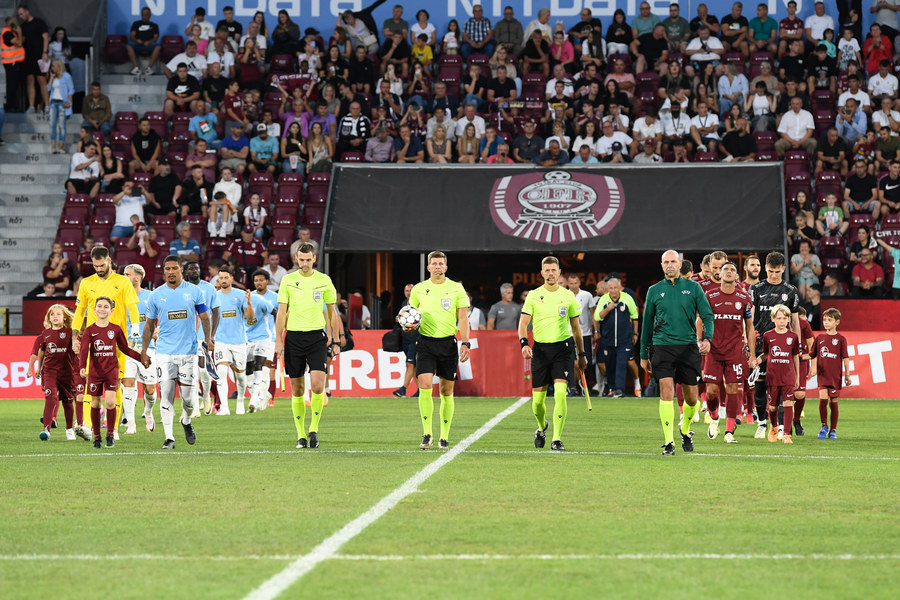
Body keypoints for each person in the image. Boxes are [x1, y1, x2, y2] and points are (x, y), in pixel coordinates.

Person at [640, 250, 714, 455]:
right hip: (662, 346)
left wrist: (708, 339)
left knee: (692, 399)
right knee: (666, 390)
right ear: (662, 265)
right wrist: (643, 354)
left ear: (680, 265)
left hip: (688, 347)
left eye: (673, 261)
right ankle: (669, 441)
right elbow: (646, 325)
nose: (670, 265)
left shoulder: (694, 288)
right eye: (666, 262)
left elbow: (708, 316)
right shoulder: (654, 290)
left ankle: (685, 430)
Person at [142, 256, 213, 450]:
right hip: (163, 352)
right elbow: (149, 326)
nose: (171, 272)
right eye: (167, 269)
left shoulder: (194, 292)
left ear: (181, 269)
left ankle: (186, 420)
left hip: (188, 352)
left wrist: (208, 339)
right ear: (163, 271)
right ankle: (169, 438)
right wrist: (144, 350)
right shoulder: (156, 295)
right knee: (166, 395)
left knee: (189, 400)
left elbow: (205, 317)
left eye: (174, 268)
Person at [275, 243, 341, 449]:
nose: (304, 263)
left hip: (317, 338)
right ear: (296, 258)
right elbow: (282, 312)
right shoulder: (288, 280)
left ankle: (313, 429)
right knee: (297, 389)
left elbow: (332, 312)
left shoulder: (324, 280)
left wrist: (336, 340)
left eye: (308, 259)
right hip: (293, 338)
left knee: (318, 385)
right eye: (301, 259)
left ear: (314, 258)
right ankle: (300, 435)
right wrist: (278, 339)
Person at [518, 256, 585, 452]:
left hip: (562, 350)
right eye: (546, 270)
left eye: (553, 270)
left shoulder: (568, 296)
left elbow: (576, 328)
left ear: (559, 272)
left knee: (561, 394)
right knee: (537, 403)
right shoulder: (533, 295)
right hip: (540, 350)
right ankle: (542, 427)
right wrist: (524, 344)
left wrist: (582, 354)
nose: (550, 273)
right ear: (541, 273)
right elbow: (522, 324)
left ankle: (557, 439)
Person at [407, 251, 470, 450]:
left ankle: (444, 436)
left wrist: (466, 343)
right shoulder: (419, 289)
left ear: (446, 267)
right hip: (425, 343)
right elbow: (411, 314)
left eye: (440, 263)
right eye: (433, 263)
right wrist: (407, 324)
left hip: (448, 344)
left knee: (446, 391)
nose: (437, 267)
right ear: (428, 268)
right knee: (425, 385)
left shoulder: (456, 288)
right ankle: (427, 434)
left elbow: (463, 318)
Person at [79, 296, 146, 448]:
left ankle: (110, 434)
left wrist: (141, 358)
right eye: (99, 306)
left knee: (110, 402)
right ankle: (97, 437)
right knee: (95, 403)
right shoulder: (90, 330)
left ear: (111, 311)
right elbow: (84, 350)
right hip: (95, 372)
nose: (102, 309)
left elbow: (124, 348)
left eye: (105, 307)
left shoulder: (115, 329)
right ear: (94, 309)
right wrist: (82, 366)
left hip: (111, 371)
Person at [749, 251, 802, 440]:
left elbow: (795, 322)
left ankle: (780, 427)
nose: (773, 275)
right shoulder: (756, 289)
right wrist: (749, 347)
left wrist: (798, 345)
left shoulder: (790, 291)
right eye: (771, 271)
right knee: (761, 386)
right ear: (765, 268)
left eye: (777, 272)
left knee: (783, 387)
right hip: (761, 344)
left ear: (783, 270)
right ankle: (762, 424)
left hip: (785, 347)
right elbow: (750, 320)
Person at [701, 262, 755, 443]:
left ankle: (729, 431)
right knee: (711, 391)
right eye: (726, 269)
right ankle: (715, 417)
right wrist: (700, 340)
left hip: (734, 350)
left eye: (732, 270)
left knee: (733, 388)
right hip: (714, 350)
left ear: (737, 275)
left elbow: (749, 327)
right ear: (720, 273)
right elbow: (701, 320)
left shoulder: (744, 297)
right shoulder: (710, 295)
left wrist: (752, 352)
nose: (729, 272)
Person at [752, 304, 801, 444]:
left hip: (788, 376)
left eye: (785, 318)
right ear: (773, 319)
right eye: (779, 318)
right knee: (773, 407)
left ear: (788, 320)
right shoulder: (768, 336)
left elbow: (795, 356)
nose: (782, 321)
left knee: (787, 404)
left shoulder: (793, 337)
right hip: (772, 376)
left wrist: (797, 376)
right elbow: (767, 354)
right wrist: (758, 360)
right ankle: (773, 427)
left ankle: (786, 434)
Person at [211, 266, 254, 415]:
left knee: (241, 376)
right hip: (221, 341)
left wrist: (248, 303)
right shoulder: (214, 296)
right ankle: (224, 407)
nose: (223, 280)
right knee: (221, 371)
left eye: (225, 278)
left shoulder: (241, 295)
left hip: (239, 341)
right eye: (220, 278)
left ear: (231, 278)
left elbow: (250, 318)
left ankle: (240, 401)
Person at [122, 264, 158, 435]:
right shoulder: (120, 297)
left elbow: (162, 317)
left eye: (127, 274)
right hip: (126, 349)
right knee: (127, 383)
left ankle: (149, 411)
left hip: (147, 348)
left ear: (137, 278)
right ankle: (131, 424)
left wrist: (159, 330)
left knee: (150, 389)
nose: (124, 277)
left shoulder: (151, 296)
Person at [182, 261, 221, 417]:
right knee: (191, 371)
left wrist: (211, 336)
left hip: (203, 336)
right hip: (187, 336)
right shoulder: (182, 288)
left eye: (196, 268)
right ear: (185, 271)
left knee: (204, 371)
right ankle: (194, 408)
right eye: (191, 268)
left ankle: (206, 396)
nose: (194, 270)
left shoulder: (209, 288)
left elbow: (216, 313)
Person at [35, 304, 79, 441]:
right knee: (50, 397)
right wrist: (38, 367)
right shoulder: (45, 334)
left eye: (58, 314)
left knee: (67, 401)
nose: (55, 316)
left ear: (65, 317)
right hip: (50, 372)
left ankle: (69, 429)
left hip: (67, 372)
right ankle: (46, 431)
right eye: (52, 314)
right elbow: (41, 351)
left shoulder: (71, 332)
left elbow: (78, 350)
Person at [594, 277, 638, 399]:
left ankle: (619, 389)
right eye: (611, 288)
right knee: (610, 364)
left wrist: (635, 333)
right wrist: (608, 309)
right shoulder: (603, 300)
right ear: (607, 289)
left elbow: (635, 316)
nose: (613, 290)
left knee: (621, 363)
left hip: (624, 339)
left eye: (615, 288)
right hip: (608, 339)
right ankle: (612, 388)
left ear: (619, 288)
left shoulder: (627, 298)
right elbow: (598, 317)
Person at [247, 269, 278, 412]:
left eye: (261, 280)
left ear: (267, 281)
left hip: (269, 338)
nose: (258, 283)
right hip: (248, 338)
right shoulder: (249, 297)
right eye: (256, 280)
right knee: (249, 372)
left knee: (265, 367)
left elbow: (280, 315)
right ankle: (263, 394)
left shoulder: (275, 297)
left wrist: (280, 334)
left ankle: (259, 400)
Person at [17, 4, 49, 114]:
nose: (21, 16)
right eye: (19, 14)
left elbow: (45, 37)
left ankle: (47, 105)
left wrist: (45, 52)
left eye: (21, 14)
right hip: (28, 57)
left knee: (42, 80)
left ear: (27, 11)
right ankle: (31, 106)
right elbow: (21, 41)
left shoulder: (39, 22)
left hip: (40, 56)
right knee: (30, 80)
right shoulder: (23, 26)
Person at [45, 59, 73, 154]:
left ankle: (60, 146)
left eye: (53, 66)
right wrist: (51, 77)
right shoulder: (53, 77)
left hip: (62, 103)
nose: (52, 68)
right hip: (53, 102)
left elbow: (71, 90)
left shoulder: (66, 76)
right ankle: (53, 146)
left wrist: (69, 101)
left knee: (62, 126)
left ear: (59, 67)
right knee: (52, 125)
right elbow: (48, 88)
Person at [126, 6, 161, 75]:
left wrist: (149, 42)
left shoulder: (154, 25)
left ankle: (149, 69)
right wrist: (137, 41)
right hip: (138, 44)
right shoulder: (136, 24)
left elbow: (155, 38)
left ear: (150, 15)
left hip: (150, 45)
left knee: (158, 47)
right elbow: (132, 37)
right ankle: (136, 68)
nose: (144, 16)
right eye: (143, 15)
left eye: (146, 15)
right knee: (128, 46)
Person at [2, 15, 25, 113]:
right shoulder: (7, 33)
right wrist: (19, 32)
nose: (17, 24)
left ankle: (12, 105)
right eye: (14, 22)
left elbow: (21, 41)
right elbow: (19, 43)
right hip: (10, 61)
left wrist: (19, 36)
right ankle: (11, 105)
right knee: (12, 85)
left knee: (14, 84)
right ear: (9, 23)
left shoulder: (12, 33)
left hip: (14, 62)